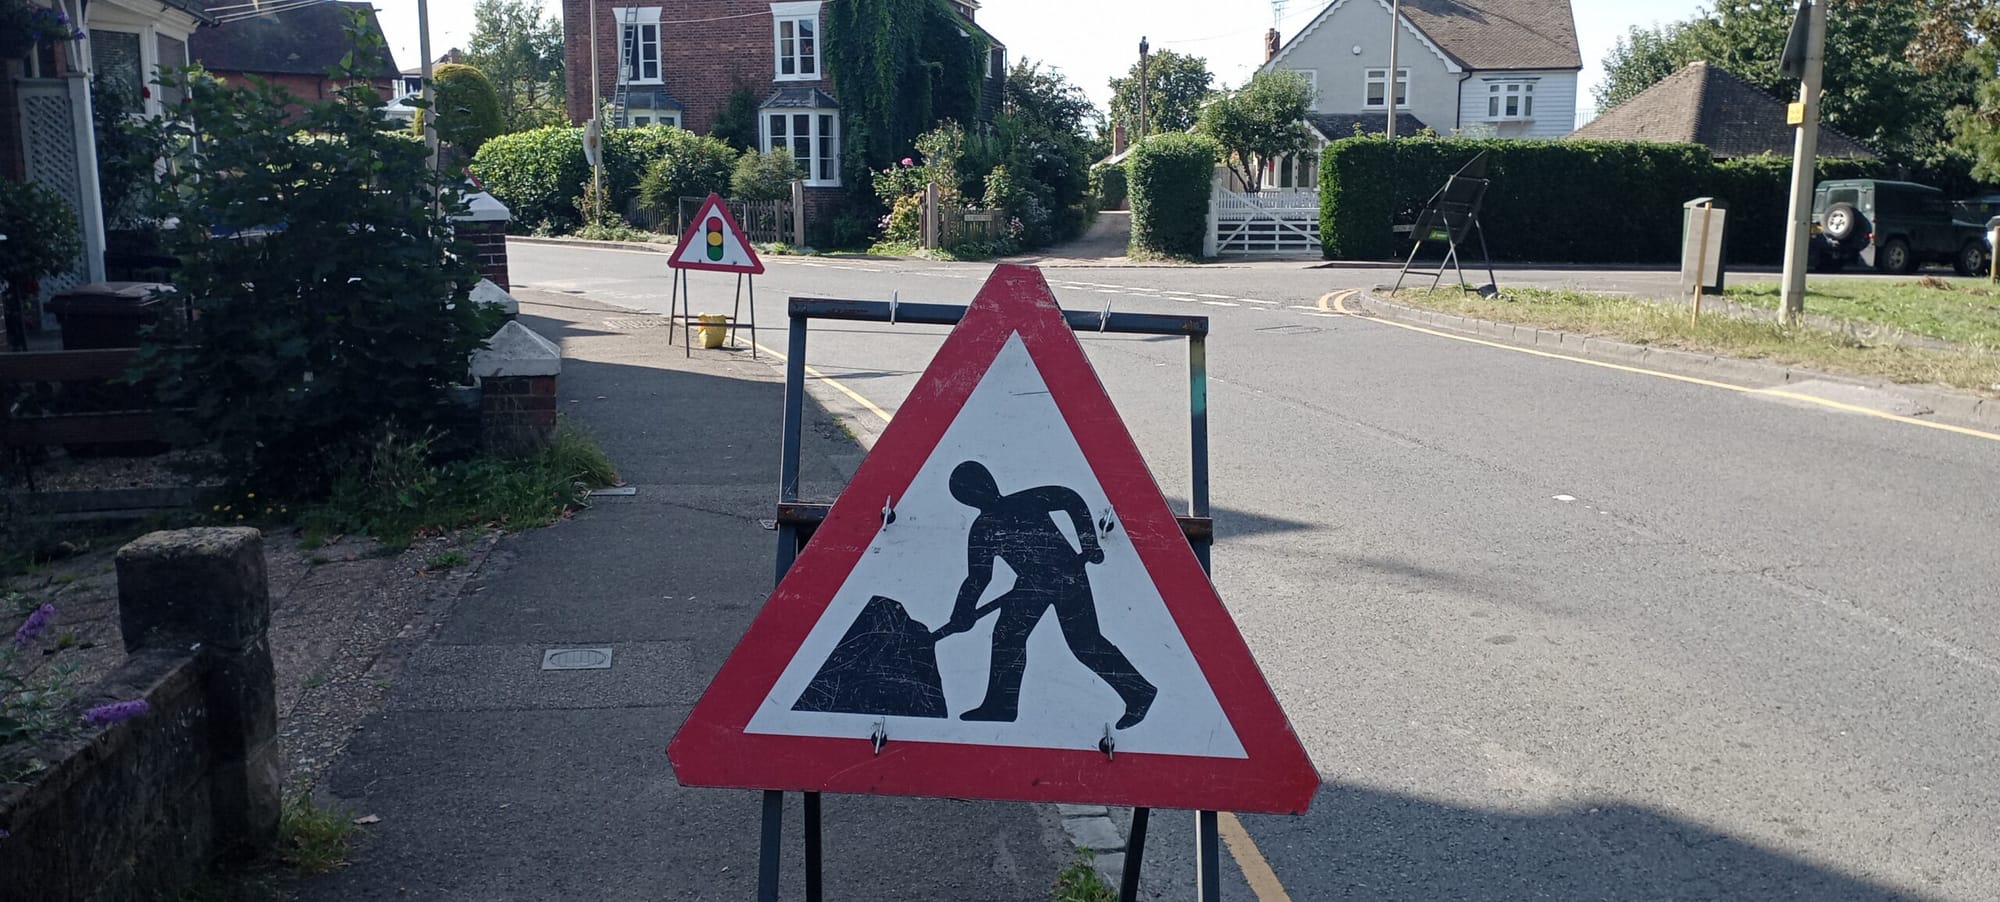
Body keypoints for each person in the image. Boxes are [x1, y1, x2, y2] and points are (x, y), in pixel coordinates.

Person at [936, 460, 1157, 729]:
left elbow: (1071, 499)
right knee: (1007, 635)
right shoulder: (983, 529)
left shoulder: (1026, 501)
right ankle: (1001, 706)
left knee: (1085, 643)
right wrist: (962, 611)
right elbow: (979, 578)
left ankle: (1139, 693)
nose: (978, 494)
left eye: (976, 488)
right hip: (1031, 584)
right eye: (970, 493)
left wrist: (1088, 542)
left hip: (1067, 575)